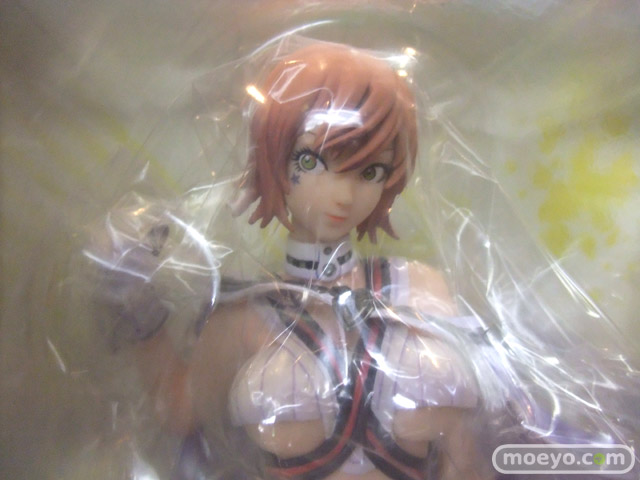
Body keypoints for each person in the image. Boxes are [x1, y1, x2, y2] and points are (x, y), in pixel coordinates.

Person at [116, 42, 494, 480]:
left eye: (370, 171)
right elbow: (179, 411)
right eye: (311, 161)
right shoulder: (245, 314)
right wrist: (134, 299)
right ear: (272, 157)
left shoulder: (418, 289)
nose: (344, 194)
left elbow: (466, 447)